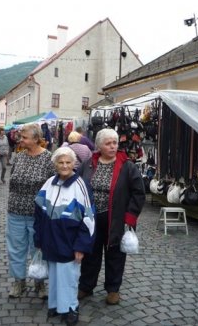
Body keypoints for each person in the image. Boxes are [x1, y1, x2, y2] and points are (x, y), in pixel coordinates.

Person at [77, 128, 145, 305]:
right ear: (99, 145)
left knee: (115, 254)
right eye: (108, 143)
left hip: (116, 218)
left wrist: (130, 217)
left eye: (115, 143)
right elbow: (77, 185)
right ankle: (86, 286)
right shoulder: (88, 163)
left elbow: (139, 193)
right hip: (91, 218)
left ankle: (113, 289)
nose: (113, 146)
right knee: (90, 253)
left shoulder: (127, 166)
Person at [34, 147, 95, 325]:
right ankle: (55, 305)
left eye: (68, 162)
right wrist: (38, 238)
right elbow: (38, 212)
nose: (64, 165)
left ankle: (70, 308)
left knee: (68, 276)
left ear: (74, 163)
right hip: (50, 239)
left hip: (70, 241)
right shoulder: (49, 183)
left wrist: (81, 246)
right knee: (53, 273)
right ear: (55, 164)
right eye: (61, 162)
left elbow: (89, 219)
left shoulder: (81, 185)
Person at [6, 123, 56, 299]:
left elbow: (54, 186)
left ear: (36, 139)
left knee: (38, 249)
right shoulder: (19, 157)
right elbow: (12, 179)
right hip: (16, 210)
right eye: (21, 137)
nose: (21, 140)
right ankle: (19, 281)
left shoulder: (49, 159)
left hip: (38, 215)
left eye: (25, 137)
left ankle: (39, 281)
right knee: (16, 248)